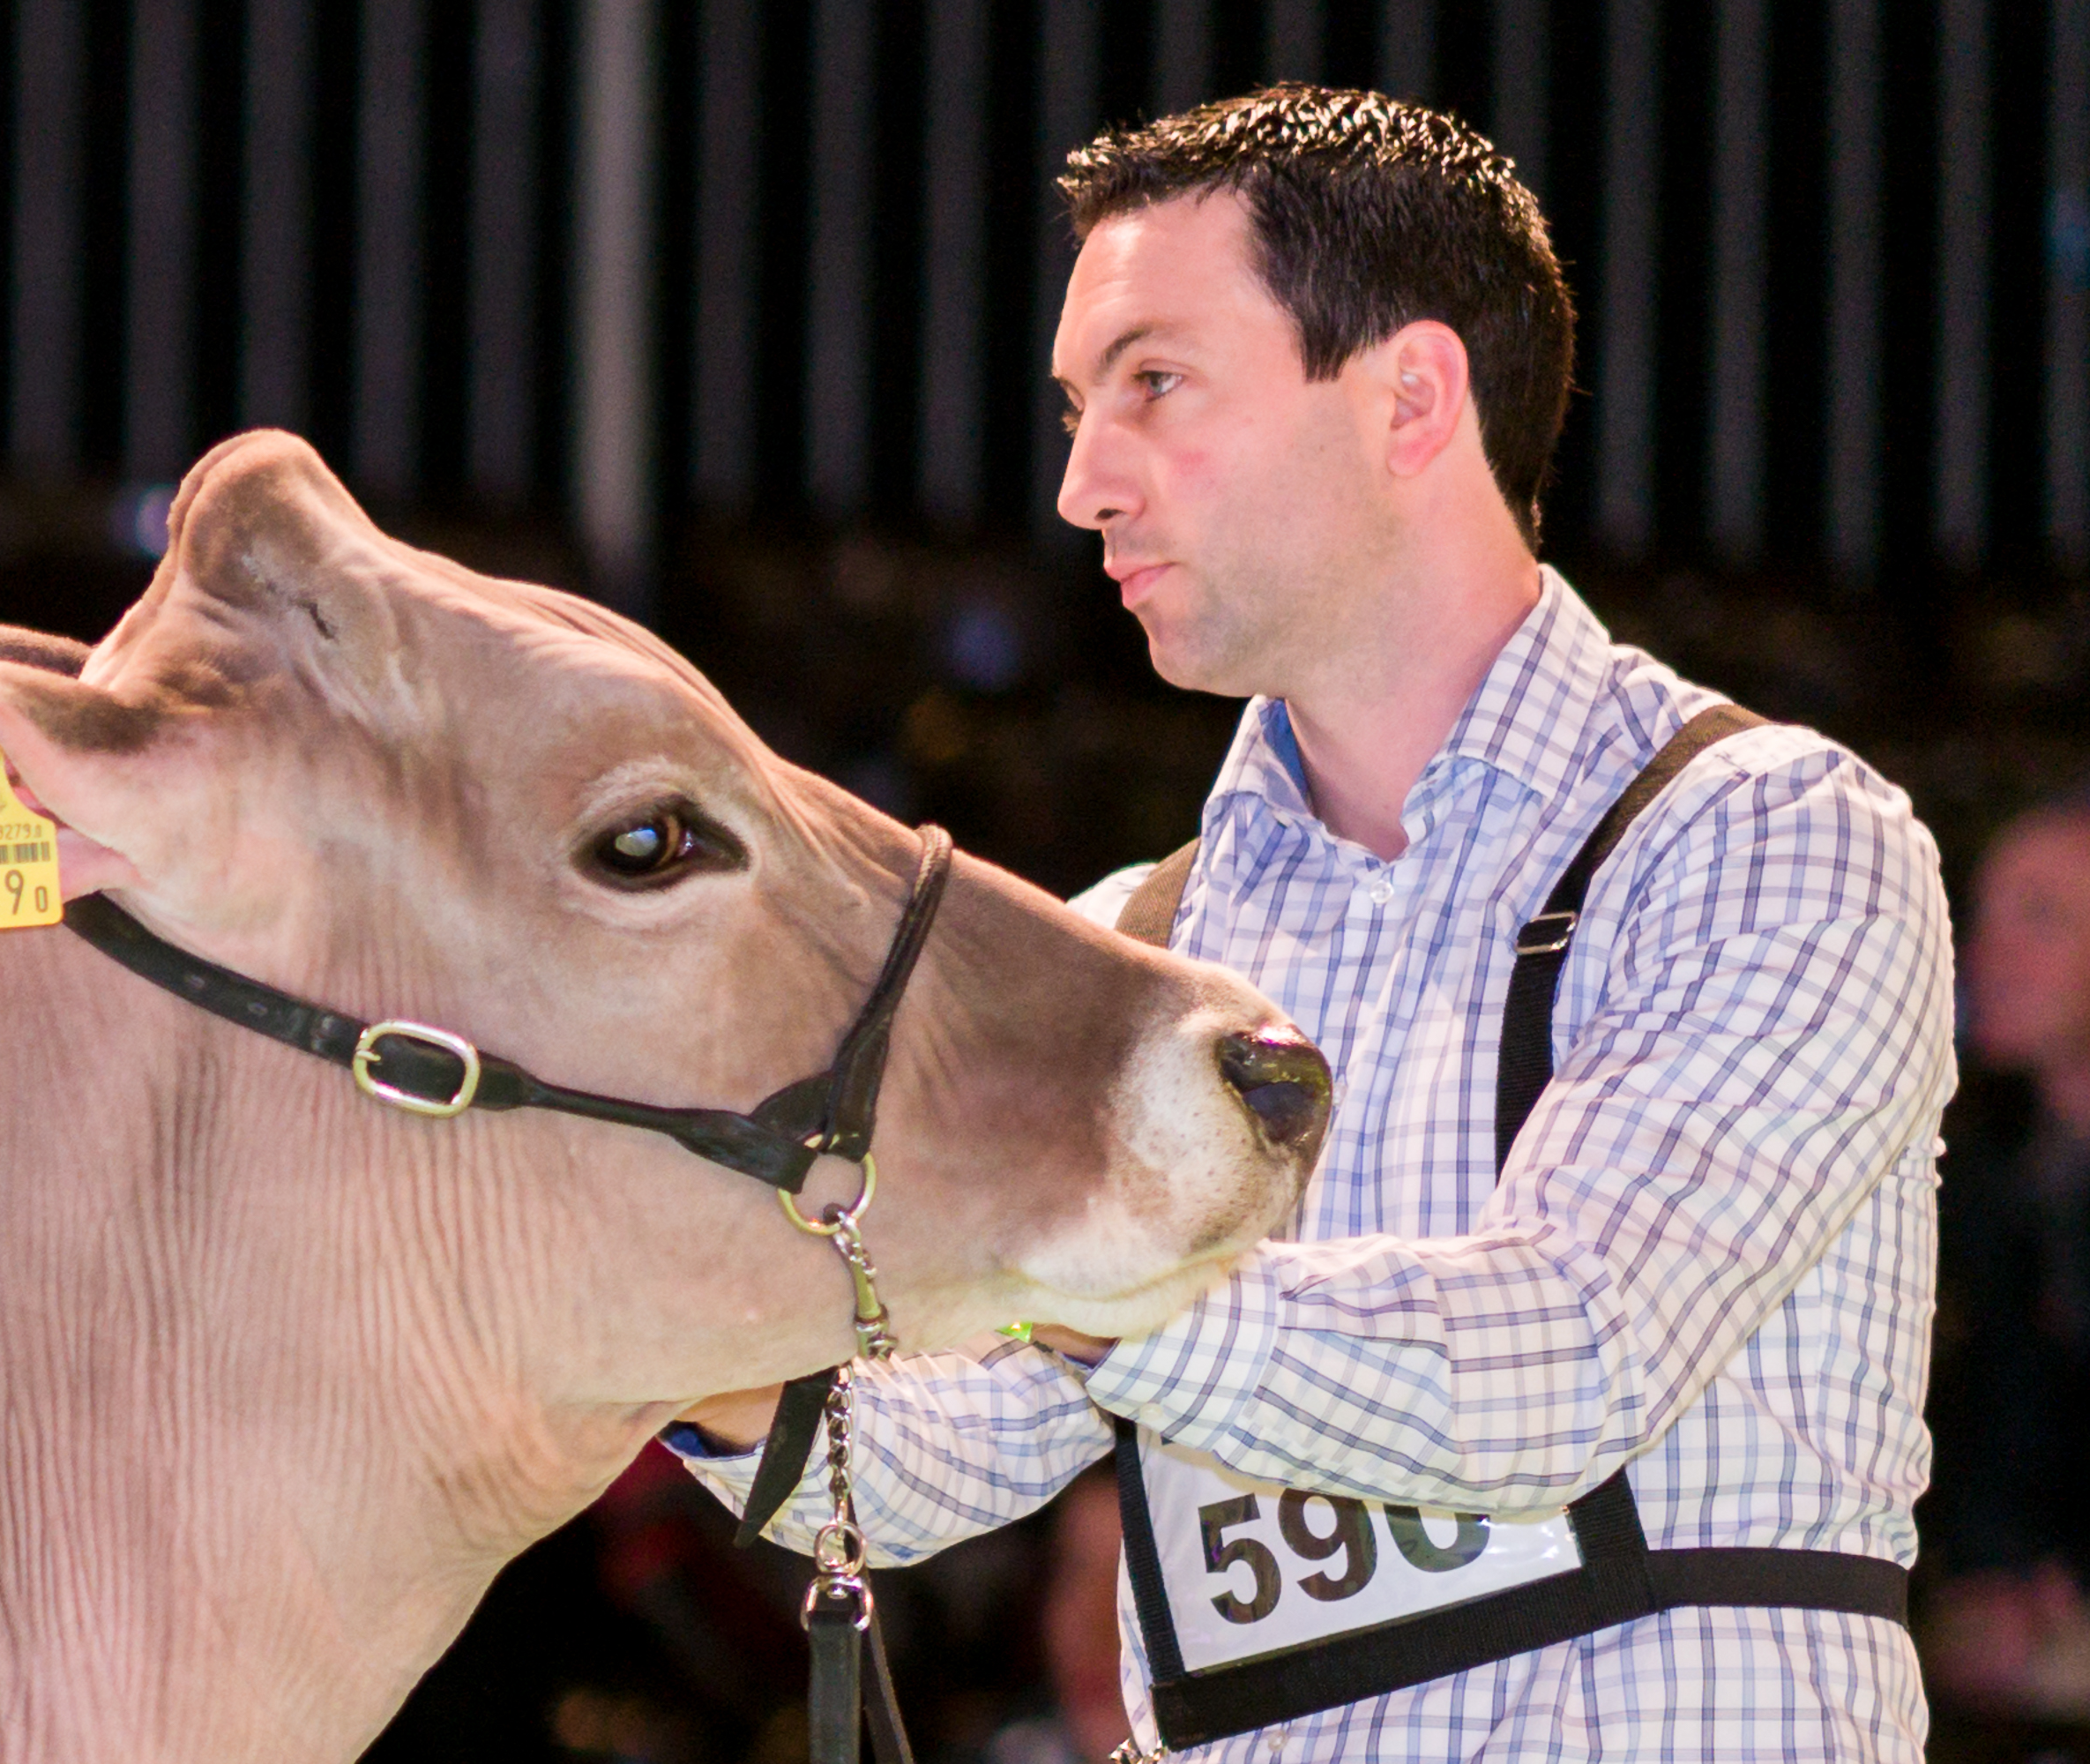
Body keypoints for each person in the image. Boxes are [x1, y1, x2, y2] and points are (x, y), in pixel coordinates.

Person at [668, 85, 1953, 1761]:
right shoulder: (1136, 940)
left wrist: (1063, 1252)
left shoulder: (1765, 836)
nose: (1081, 486)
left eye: (1153, 383)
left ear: (1410, 399)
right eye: (1074, 408)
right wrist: (623, 1303)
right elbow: (919, 1460)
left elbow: (1563, 1361)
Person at [1920, 799, 2090, 1713]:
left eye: (2043, 918)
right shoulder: (1990, 1173)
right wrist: (2003, 1570)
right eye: (1981, 917)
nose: (1988, 954)